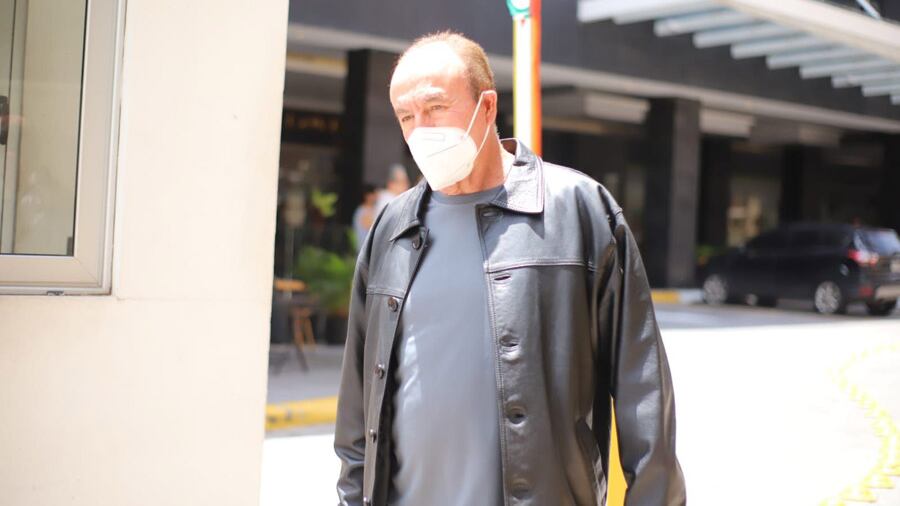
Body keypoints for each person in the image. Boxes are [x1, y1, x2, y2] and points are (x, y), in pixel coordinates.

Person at [334, 31, 686, 506]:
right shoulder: (392, 227)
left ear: (487, 107)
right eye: (406, 116)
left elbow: (642, 392)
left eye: (436, 107)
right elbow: (358, 407)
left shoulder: (579, 211)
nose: (421, 130)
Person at [352, 184, 378, 252]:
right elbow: (373, 227)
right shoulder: (363, 211)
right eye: (375, 194)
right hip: (364, 249)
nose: (377, 196)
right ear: (368, 196)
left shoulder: (369, 209)